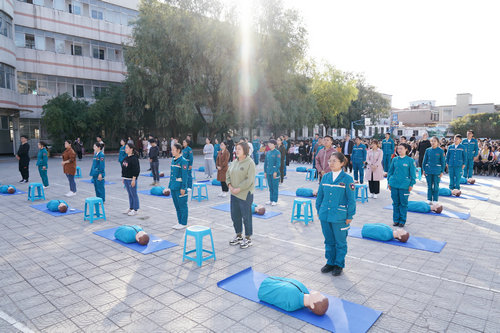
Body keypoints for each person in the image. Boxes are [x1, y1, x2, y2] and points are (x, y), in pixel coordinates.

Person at [316, 152, 356, 276]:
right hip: (325, 215)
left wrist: (350, 216)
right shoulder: (326, 177)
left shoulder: (347, 179)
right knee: (328, 240)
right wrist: (319, 210)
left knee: (340, 242)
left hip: (340, 216)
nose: (331, 163)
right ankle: (330, 262)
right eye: (329, 161)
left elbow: (351, 200)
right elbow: (320, 196)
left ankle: (339, 264)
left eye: (334, 161)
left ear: (342, 163)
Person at [227, 142, 256, 248]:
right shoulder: (234, 162)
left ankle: (248, 238)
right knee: (235, 216)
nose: (236, 151)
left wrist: (238, 188)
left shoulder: (250, 163)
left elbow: (250, 179)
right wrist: (230, 186)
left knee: (246, 216)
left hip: (245, 194)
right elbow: (228, 174)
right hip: (234, 194)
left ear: (245, 150)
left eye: (239, 149)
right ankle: (238, 235)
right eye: (236, 149)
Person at [258, 276, 329, 315]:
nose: (319, 293)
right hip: (274, 280)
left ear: (312, 305)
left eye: (319, 296)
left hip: (265, 286)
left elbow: (276, 298)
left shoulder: (292, 304)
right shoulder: (305, 291)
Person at [388, 143, 416, 227]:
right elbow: (390, 172)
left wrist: (411, 184)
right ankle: (396, 220)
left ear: (406, 149)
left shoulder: (410, 160)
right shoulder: (395, 159)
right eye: (398, 149)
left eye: (401, 149)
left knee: (403, 204)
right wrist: (389, 182)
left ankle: (402, 221)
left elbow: (413, 174)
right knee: (395, 203)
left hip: (404, 186)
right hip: (394, 185)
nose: (399, 150)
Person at [169, 143, 189, 230]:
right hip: (173, 186)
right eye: (172, 150)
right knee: (177, 205)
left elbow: (185, 176)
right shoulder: (173, 160)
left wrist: (183, 188)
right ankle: (179, 221)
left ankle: (183, 223)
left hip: (180, 187)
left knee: (182, 205)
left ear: (178, 150)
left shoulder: (183, 161)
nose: (172, 151)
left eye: (173, 150)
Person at [422, 136, 446, 203]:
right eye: (432, 141)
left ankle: (435, 200)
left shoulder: (440, 151)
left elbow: (443, 162)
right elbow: (424, 161)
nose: (433, 142)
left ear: (438, 142)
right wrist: (424, 169)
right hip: (428, 170)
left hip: (437, 171)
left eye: (434, 141)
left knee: (436, 186)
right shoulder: (428, 150)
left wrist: (442, 171)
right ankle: (429, 199)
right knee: (429, 186)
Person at [122, 143, 140, 216]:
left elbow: (136, 170)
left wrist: (133, 179)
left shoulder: (134, 159)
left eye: (127, 148)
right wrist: (123, 178)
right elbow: (123, 169)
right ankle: (131, 207)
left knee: (134, 194)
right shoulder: (126, 158)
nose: (125, 149)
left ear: (131, 149)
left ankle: (135, 209)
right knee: (130, 194)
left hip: (131, 179)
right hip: (126, 178)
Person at [264, 139, 281, 206]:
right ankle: (271, 200)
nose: (269, 145)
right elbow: (266, 163)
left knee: (275, 186)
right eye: (269, 144)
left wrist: (275, 171)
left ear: (274, 145)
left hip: (274, 172)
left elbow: (278, 163)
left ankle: (275, 200)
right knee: (270, 186)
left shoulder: (277, 152)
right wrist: (265, 171)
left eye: (271, 144)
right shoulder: (268, 152)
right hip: (268, 172)